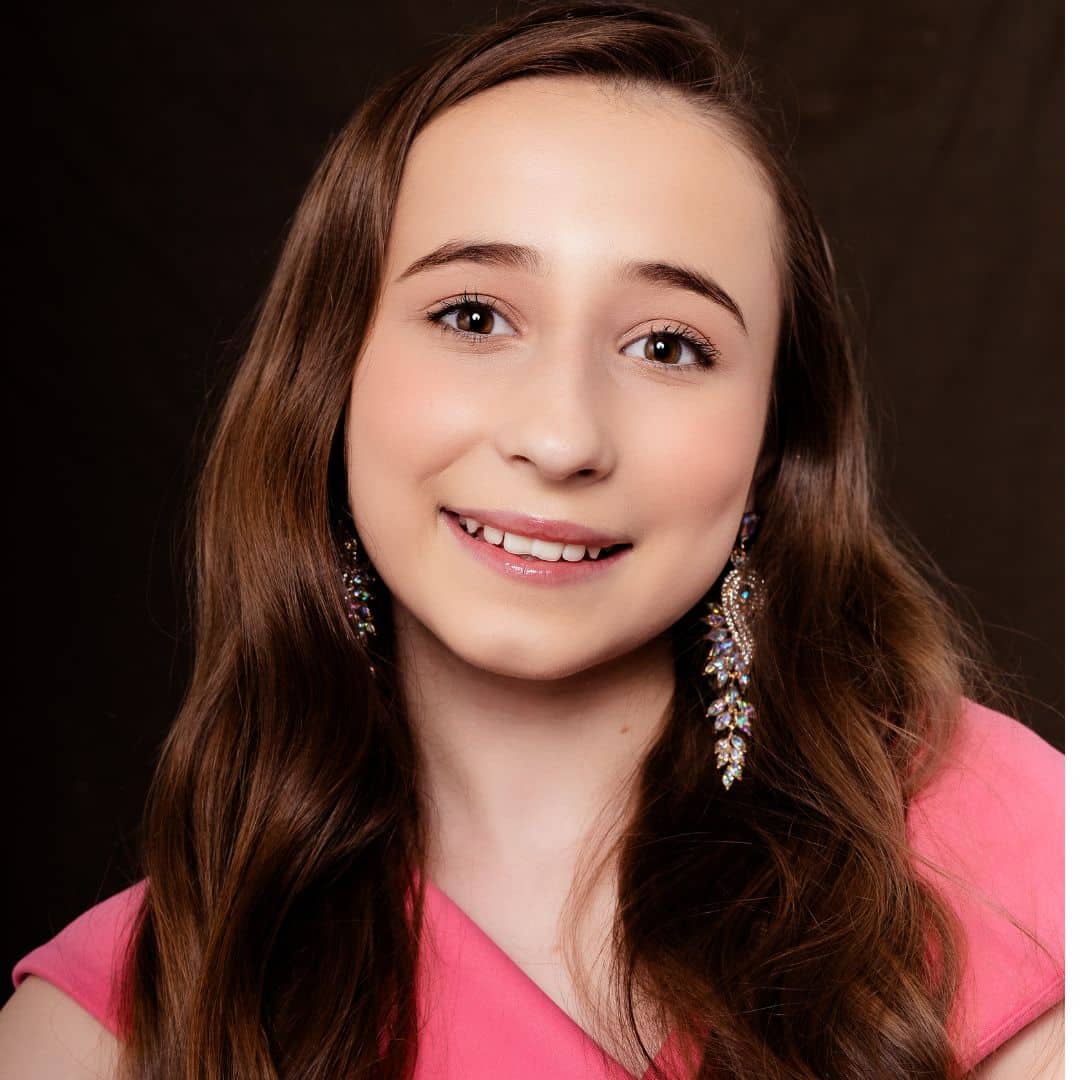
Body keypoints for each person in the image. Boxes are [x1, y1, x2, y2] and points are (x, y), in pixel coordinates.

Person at [0, 2, 1063, 1077]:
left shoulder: (1018, 862)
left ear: (772, 445)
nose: (561, 438)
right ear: (331, 378)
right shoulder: (108, 1027)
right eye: (473, 316)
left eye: (668, 344)